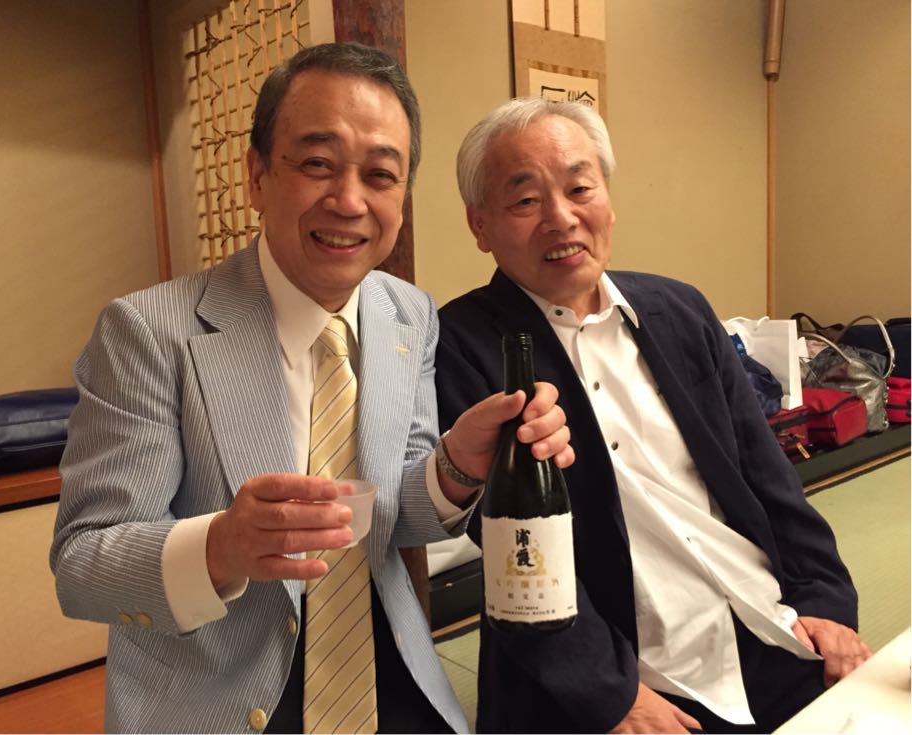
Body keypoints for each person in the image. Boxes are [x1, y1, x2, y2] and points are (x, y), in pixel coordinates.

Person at [50, 45, 573, 734]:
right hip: (219, 695)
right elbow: (82, 564)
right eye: (318, 163)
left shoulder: (407, 314)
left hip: (388, 672)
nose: (349, 201)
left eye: (380, 174)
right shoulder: (148, 332)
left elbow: (388, 516)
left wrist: (457, 465)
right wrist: (221, 546)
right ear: (257, 175)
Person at [435, 97, 871, 734]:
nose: (561, 218)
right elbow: (515, 560)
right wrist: (611, 696)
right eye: (525, 200)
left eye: (580, 188)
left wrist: (824, 600)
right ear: (480, 226)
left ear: (607, 197)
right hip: (621, 670)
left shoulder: (680, 310)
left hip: (762, 623)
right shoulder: (464, 344)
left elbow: (769, 477)